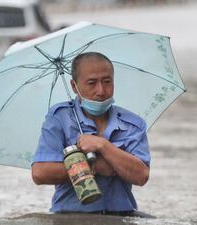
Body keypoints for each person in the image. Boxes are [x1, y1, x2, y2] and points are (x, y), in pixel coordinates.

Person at [31, 52, 151, 216]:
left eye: (107, 82)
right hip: (69, 216)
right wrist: (92, 166)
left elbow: (141, 176)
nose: (101, 90)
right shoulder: (59, 118)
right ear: (74, 86)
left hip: (122, 216)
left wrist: (103, 146)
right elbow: (40, 173)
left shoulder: (133, 124)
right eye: (92, 83)